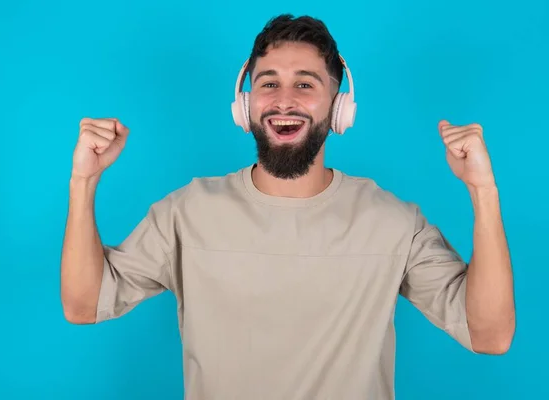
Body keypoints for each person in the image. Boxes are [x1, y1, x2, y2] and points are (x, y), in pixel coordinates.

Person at [60, 14, 515, 399]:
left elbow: (489, 334)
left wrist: (484, 191)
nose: (284, 100)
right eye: (269, 83)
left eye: (305, 84)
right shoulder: (186, 212)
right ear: (245, 104)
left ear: (340, 106)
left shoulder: (394, 223)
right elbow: (84, 305)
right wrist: (84, 182)